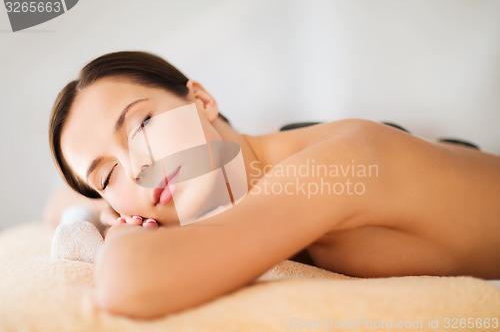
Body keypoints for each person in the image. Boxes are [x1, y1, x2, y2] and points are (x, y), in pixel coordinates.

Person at [48, 51, 500, 319]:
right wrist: (107, 208)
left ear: (202, 100)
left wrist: (123, 236)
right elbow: (60, 204)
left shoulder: (330, 167)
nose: (136, 166)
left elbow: (129, 282)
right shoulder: (236, 179)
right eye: (107, 175)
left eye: (143, 123)